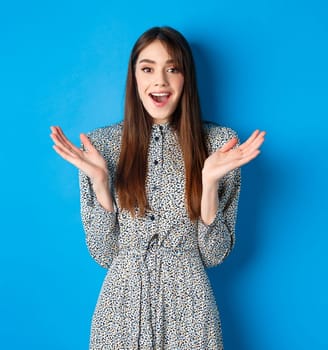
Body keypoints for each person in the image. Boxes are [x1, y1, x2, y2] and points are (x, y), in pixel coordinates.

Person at [49, 26, 265, 349]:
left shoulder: (220, 146)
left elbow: (214, 254)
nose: (160, 81)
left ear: (185, 78)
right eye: (148, 68)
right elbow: (105, 254)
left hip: (191, 314)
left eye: (172, 69)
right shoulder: (101, 147)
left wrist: (208, 185)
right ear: (134, 77)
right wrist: (101, 183)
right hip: (120, 314)